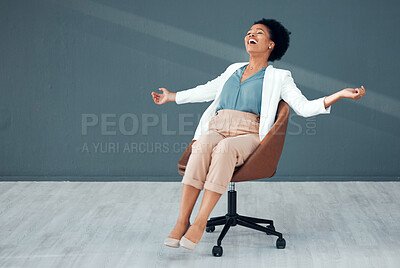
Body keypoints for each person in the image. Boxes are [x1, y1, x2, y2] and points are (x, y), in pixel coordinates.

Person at [151, 18, 366, 251]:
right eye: (249, 32)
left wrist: (340, 95)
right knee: (202, 144)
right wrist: (172, 96)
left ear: (271, 44)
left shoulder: (280, 77)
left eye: (259, 33)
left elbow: (303, 107)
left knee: (225, 149)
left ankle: (201, 221)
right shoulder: (233, 69)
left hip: (248, 133)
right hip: (218, 126)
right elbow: (207, 90)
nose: (251, 34)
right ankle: (182, 221)